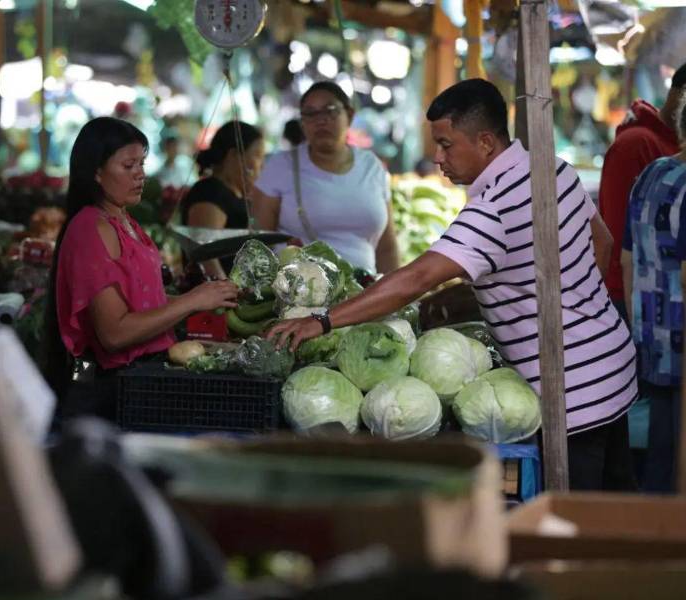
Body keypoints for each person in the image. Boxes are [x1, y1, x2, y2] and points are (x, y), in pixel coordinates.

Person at [269, 78, 638, 492]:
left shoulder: (493, 207)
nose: (437, 158)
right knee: (617, 498)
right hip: (613, 363)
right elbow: (601, 242)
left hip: (571, 394)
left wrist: (322, 321)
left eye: (446, 145)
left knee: (575, 527)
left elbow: (417, 278)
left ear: (484, 142)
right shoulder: (552, 167)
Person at [41, 117, 238, 420]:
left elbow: (145, 304)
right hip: (111, 393)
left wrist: (208, 299)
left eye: (142, 164)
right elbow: (114, 333)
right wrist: (193, 301)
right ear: (96, 171)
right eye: (128, 166)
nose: (140, 175)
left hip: (141, 381)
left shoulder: (124, 222)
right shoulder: (90, 229)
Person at [252, 81, 400, 274]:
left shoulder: (371, 166)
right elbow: (259, 244)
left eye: (330, 110)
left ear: (350, 115)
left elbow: (387, 248)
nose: (320, 120)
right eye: (310, 113)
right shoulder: (281, 167)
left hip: (364, 291)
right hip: (299, 294)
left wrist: (393, 297)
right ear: (302, 122)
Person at [620, 95, 686, 493]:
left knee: (659, 455)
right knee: (674, 462)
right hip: (681, 348)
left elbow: (627, 260)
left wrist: (639, 323)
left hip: (651, 339)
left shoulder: (651, 175)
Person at [598, 63, 686, 320]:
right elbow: (618, 237)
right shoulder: (635, 145)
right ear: (680, 95)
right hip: (631, 298)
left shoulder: (667, 154)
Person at [180, 120, 265, 279]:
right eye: (258, 156)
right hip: (215, 296)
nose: (262, 165)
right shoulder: (210, 192)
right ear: (233, 155)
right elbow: (206, 255)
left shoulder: (236, 193)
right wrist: (227, 293)